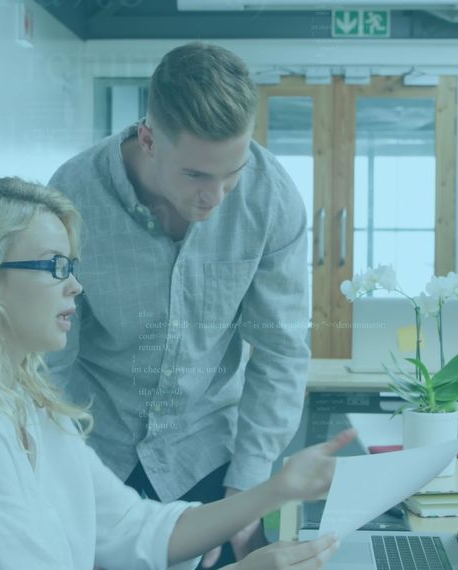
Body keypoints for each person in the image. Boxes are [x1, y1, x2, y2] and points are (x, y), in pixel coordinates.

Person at [0, 177, 350, 569]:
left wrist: (279, 488)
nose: (76, 288)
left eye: (73, 267)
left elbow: (135, 529)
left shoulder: (27, 401)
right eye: (54, 268)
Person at [46, 42, 310, 568]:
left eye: (231, 172)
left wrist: (246, 490)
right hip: (98, 445)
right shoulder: (72, 195)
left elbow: (280, 352)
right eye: (196, 176)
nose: (215, 196)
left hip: (207, 450)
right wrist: (57, 463)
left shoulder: (271, 199)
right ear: (148, 138)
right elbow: (51, 358)